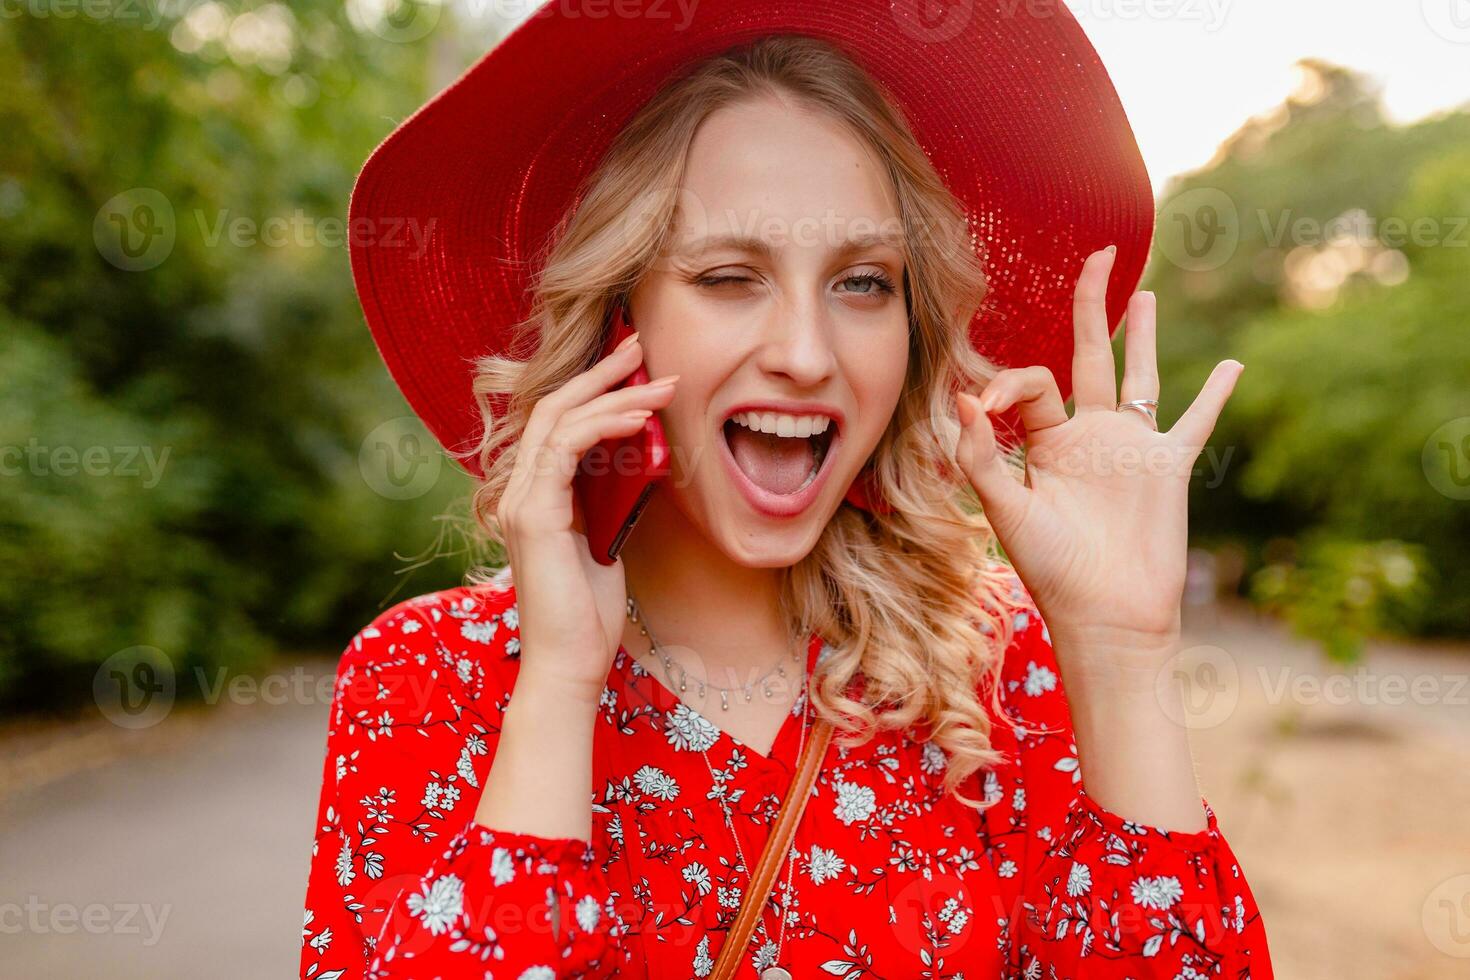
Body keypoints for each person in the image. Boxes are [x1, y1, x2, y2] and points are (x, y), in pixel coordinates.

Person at [301, 4, 1274, 978]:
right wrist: (557, 680)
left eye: (862, 284)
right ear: (614, 324)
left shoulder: (1004, 667)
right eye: (729, 276)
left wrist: (1119, 658)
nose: (808, 355)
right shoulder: (426, 682)